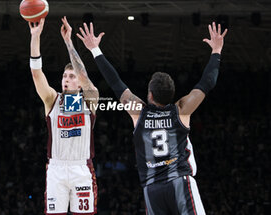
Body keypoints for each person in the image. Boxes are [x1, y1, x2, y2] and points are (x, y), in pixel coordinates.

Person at [77, 21, 227, 214]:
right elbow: (208, 82)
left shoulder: (138, 112)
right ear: (173, 94)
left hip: (152, 188)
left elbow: (115, 83)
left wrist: (95, 49)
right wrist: (217, 50)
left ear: (150, 94)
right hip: (179, 181)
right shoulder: (181, 110)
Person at [29, 16, 99, 214]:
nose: (66, 80)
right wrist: (35, 37)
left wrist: (68, 42)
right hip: (56, 169)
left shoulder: (90, 99)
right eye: (64, 76)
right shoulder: (52, 99)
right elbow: (36, 74)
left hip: (81, 168)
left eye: (71, 76)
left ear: (79, 82)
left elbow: (84, 77)